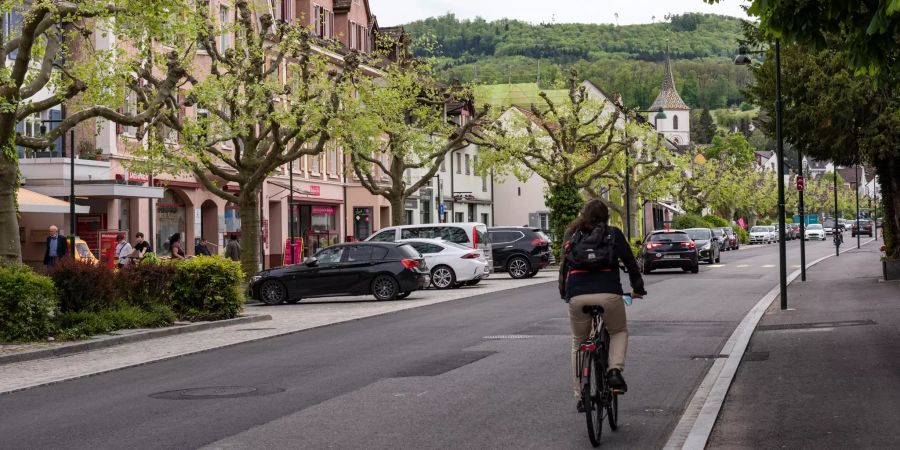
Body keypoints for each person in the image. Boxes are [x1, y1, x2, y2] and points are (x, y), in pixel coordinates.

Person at [558, 200, 646, 412]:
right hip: (609, 293)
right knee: (618, 331)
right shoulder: (613, 234)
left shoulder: (573, 235)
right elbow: (631, 263)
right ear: (606, 216)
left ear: (583, 214)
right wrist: (638, 288)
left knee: (579, 342)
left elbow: (564, 268)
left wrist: (565, 294)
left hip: (577, 295)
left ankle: (581, 395)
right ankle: (614, 370)